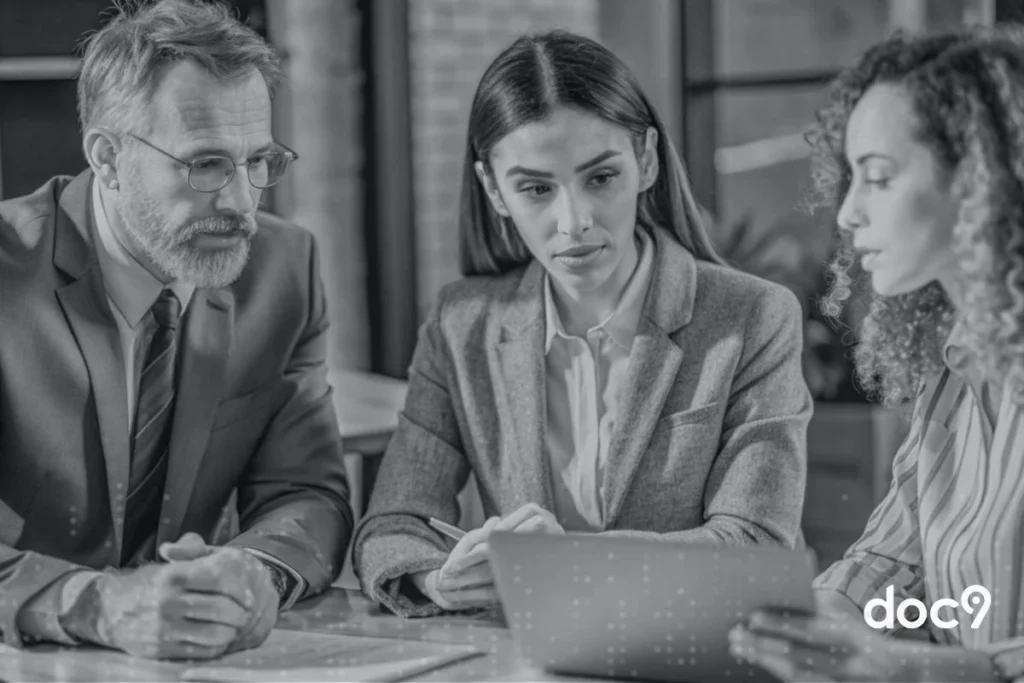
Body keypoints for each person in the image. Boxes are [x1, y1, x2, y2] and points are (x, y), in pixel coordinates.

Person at [352, 29, 812, 618]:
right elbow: (392, 522)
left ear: (646, 160)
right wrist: (437, 579)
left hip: (702, 645)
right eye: (535, 188)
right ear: (494, 189)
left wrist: (572, 561)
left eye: (600, 178)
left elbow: (756, 547)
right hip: (525, 656)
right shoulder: (461, 326)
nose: (573, 222)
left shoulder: (752, 317)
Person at [0, 0, 352, 661]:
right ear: (107, 158)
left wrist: (256, 573)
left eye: (259, 161)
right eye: (206, 165)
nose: (243, 204)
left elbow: (307, 491)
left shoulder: (285, 268)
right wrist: (97, 605)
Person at [732, 26, 1024, 683]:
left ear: (981, 179)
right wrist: (820, 617)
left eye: (880, 178)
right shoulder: (952, 368)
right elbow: (895, 557)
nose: (848, 214)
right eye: (852, 178)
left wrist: (910, 669)